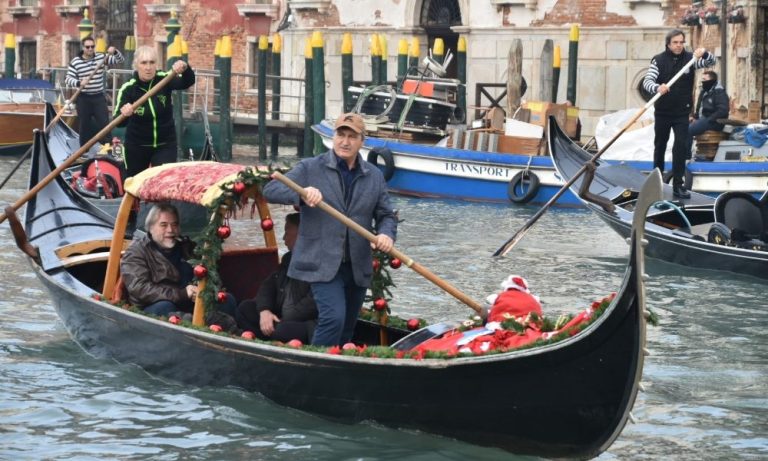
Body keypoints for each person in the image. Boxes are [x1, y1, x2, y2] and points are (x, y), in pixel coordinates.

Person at [263, 113, 398, 346]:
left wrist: (386, 234)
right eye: (340, 135)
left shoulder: (374, 176)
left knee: (347, 325)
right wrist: (302, 194)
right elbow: (271, 190)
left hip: (356, 264)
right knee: (333, 317)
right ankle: (316, 369)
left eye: (352, 137)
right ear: (333, 137)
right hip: (320, 262)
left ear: (362, 141)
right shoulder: (310, 168)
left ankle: (336, 365)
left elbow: (386, 215)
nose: (345, 142)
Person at [121, 203, 236, 318]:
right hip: (152, 308)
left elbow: (208, 273)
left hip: (189, 303)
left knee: (226, 300)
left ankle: (225, 331)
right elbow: (140, 289)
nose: (170, 230)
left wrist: (202, 290)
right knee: (165, 307)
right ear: (151, 228)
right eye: (164, 225)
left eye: (174, 224)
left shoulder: (187, 247)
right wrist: (182, 294)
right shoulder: (136, 252)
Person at [643, 29, 715, 199]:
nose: (679, 45)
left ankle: (678, 185)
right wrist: (658, 87)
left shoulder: (691, 59)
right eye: (675, 42)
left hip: (682, 112)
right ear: (668, 43)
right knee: (660, 146)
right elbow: (647, 82)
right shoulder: (658, 60)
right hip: (663, 111)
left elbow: (712, 61)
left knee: (681, 147)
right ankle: (657, 183)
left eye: (681, 42)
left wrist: (704, 53)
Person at [114, 46, 195, 179]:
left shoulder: (165, 79)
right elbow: (118, 122)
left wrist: (185, 68)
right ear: (136, 65)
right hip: (137, 147)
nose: (148, 67)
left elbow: (187, 82)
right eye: (144, 63)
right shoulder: (128, 88)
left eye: (152, 62)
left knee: (163, 182)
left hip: (165, 145)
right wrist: (125, 114)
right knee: (135, 185)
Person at [235, 213, 318, 343]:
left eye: (287, 232)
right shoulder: (288, 259)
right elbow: (268, 286)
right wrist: (265, 311)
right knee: (245, 308)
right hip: (280, 316)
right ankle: (264, 341)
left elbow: (311, 304)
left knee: (282, 331)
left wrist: (282, 320)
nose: (284, 238)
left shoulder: (317, 262)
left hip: (305, 323)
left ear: (301, 234)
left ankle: (271, 338)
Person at [65, 35, 125, 147]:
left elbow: (120, 60)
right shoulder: (76, 62)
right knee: (84, 126)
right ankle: (83, 151)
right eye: (87, 47)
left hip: (98, 97)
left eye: (92, 47)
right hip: (83, 98)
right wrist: (79, 83)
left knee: (105, 124)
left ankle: (108, 148)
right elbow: (68, 79)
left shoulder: (100, 58)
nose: (90, 49)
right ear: (83, 47)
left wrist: (115, 51)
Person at [689, 70, 730, 160]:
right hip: (704, 119)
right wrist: (694, 117)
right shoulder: (704, 91)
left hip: (715, 121)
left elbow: (723, 110)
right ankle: (685, 155)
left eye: (704, 79)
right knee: (682, 127)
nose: (702, 82)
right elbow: (700, 109)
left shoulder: (719, 92)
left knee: (688, 130)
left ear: (712, 80)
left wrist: (709, 119)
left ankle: (685, 157)